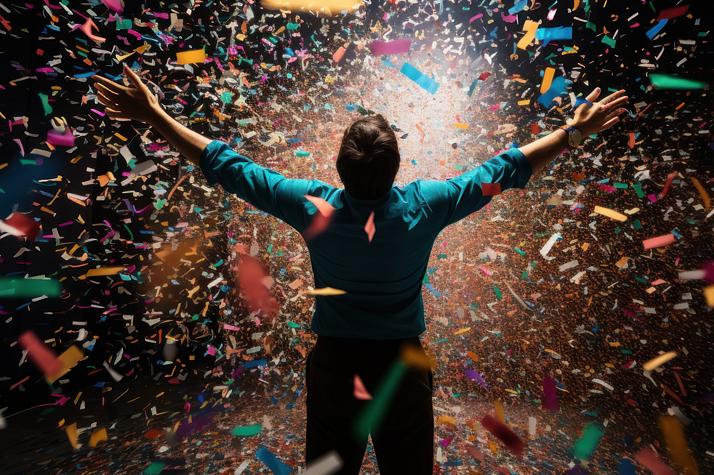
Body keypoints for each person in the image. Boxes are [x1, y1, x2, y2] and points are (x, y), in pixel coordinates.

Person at [92, 65, 628, 475]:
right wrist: (571, 133)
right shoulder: (426, 205)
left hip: (335, 366)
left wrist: (153, 115)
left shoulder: (313, 206)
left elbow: (231, 168)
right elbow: (503, 170)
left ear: (339, 167)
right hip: (401, 368)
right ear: (396, 167)